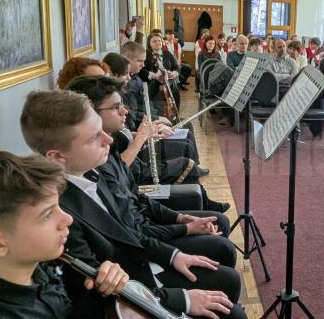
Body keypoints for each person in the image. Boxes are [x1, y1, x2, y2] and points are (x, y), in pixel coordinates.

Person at [19, 90, 246, 318]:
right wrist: (182, 299)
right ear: (57, 157)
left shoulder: (93, 173)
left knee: (228, 282)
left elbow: (130, 233)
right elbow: (99, 289)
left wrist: (174, 255)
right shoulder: (59, 213)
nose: (108, 139)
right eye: (93, 137)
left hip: (143, 269)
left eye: (101, 130)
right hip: (130, 295)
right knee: (232, 307)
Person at [65, 76, 235, 264]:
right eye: (115, 107)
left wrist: (180, 218)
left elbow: (137, 197)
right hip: (147, 239)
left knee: (220, 223)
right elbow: (134, 232)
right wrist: (184, 229)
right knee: (223, 247)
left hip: (149, 226)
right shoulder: (96, 168)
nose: (124, 111)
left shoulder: (110, 149)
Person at [0, 150, 129, 318]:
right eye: (47, 214)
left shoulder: (39, 265)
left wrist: (100, 295)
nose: (68, 219)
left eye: (59, 206)